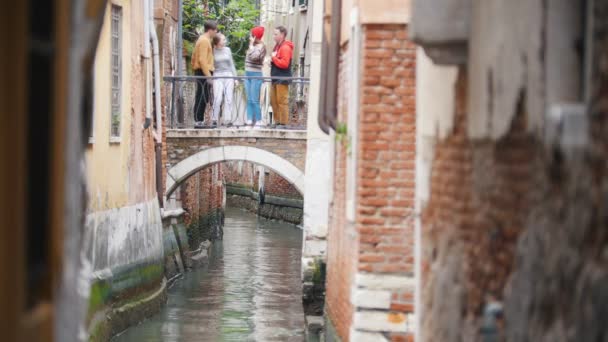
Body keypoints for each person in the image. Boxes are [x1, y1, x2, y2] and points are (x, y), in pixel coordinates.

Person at [191, 21, 218, 127]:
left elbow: (194, 58)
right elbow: (202, 60)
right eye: (215, 30)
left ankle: (199, 120)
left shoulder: (203, 40)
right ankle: (198, 120)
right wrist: (208, 76)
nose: (216, 32)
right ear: (210, 30)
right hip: (203, 71)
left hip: (202, 71)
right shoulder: (204, 41)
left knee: (203, 95)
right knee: (202, 95)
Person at [212, 33, 238, 127]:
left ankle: (228, 120)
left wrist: (235, 78)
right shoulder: (212, 51)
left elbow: (231, 64)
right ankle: (214, 119)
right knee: (217, 98)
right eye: (223, 39)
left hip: (228, 75)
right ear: (218, 41)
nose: (225, 41)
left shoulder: (228, 50)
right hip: (217, 75)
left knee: (228, 98)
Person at [270, 26, 294, 128]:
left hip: (282, 78)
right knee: (274, 101)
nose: (273, 36)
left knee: (282, 101)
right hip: (275, 77)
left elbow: (284, 64)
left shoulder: (285, 47)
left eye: (276, 34)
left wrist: (274, 58)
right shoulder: (277, 47)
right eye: (274, 34)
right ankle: (277, 121)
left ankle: (283, 123)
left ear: (282, 35)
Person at [244, 26, 267, 128]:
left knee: (254, 99)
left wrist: (251, 46)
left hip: (256, 74)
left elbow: (254, 57)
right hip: (247, 74)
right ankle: (249, 120)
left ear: (255, 36)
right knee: (249, 99)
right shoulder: (253, 46)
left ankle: (258, 120)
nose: (250, 37)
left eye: (251, 35)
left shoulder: (261, 47)